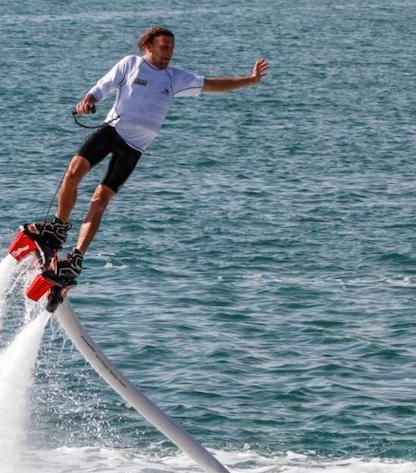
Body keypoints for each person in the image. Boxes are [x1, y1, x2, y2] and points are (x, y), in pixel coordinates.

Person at [27, 26, 269, 284]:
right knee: (73, 172)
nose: (169, 53)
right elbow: (101, 87)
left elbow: (212, 84)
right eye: (164, 47)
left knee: (99, 201)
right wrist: (87, 101)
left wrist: (250, 79)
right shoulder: (131, 64)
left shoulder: (174, 77)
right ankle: (58, 228)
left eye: (172, 48)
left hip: (134, 148)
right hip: (111, 130)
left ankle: (75, 259)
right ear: (149, 47)